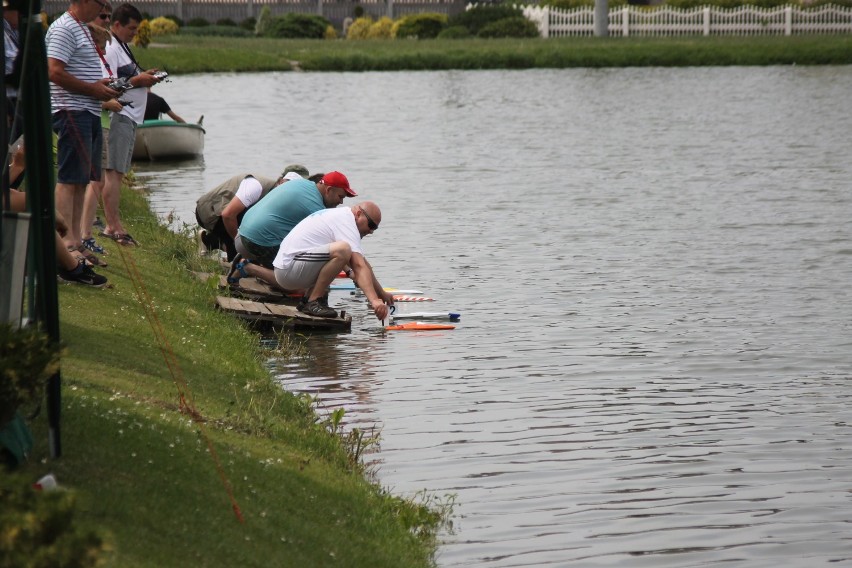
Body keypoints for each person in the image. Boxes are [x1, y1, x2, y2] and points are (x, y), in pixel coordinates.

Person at [46, 0, 122, 253]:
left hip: (87, 110)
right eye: (101, 5)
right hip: (71, 111)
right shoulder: (64, 28)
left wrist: (100, 84)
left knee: (81, 180)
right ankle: (66, 245)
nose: (102, 12)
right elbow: (54, 71)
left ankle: (76, 240)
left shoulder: (81, 28)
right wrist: (93, 89)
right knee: (69, 179)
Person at [99, 2, 163, 246]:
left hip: (130, 116)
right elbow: (111, 85)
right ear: (117, 24)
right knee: (113, 173)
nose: (135, 33)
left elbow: (126, 79)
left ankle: (114, 223)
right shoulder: (112, 48)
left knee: (119, 172)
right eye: (132, 29)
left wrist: (145, 76)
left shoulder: (123, 47)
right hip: (120, 115)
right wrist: (139, 79)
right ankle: (112, 226)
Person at [229, 171, 356, 289]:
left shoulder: (302, 184)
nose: (341, 201)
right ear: (329, 190)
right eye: (340, 196)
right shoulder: (315, 206)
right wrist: (350, 271)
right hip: (255, 242)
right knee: (299, 286)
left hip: (240, 237)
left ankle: (250, 261)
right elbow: (334, 247)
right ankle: (248, 267)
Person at [273, 202, 392, 320]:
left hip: (290, 268)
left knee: (344, 251)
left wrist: (381, 293)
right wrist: (374, 301)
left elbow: (363, 264)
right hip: (288, 269)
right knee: (343, 250)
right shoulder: (346, 222)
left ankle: (307, 300)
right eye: (371, 225)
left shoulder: (344, 217)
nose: (371, 231)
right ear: (359, 214)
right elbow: (358, 266)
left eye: (375, 228)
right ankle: (314, 301)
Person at [195, 164, 308, 260]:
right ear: (280, 181)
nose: (292, 191)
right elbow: (228, 215)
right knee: (248, 237)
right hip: (209, 212)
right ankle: (234, 258)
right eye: (289, 185)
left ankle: (208, 241)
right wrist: (241, 246)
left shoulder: (279, 197)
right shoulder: (255, 187)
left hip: (226, 215)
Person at [80, 14, 121, 264]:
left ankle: (84, 233)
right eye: (102, 47)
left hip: (102, 121)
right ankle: (84, 234)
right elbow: (88, 92)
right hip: (98, 121)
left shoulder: (96, 60)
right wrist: (109, 101)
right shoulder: (89, 61)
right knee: (95, 180)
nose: (105, 51)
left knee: (98, 179)